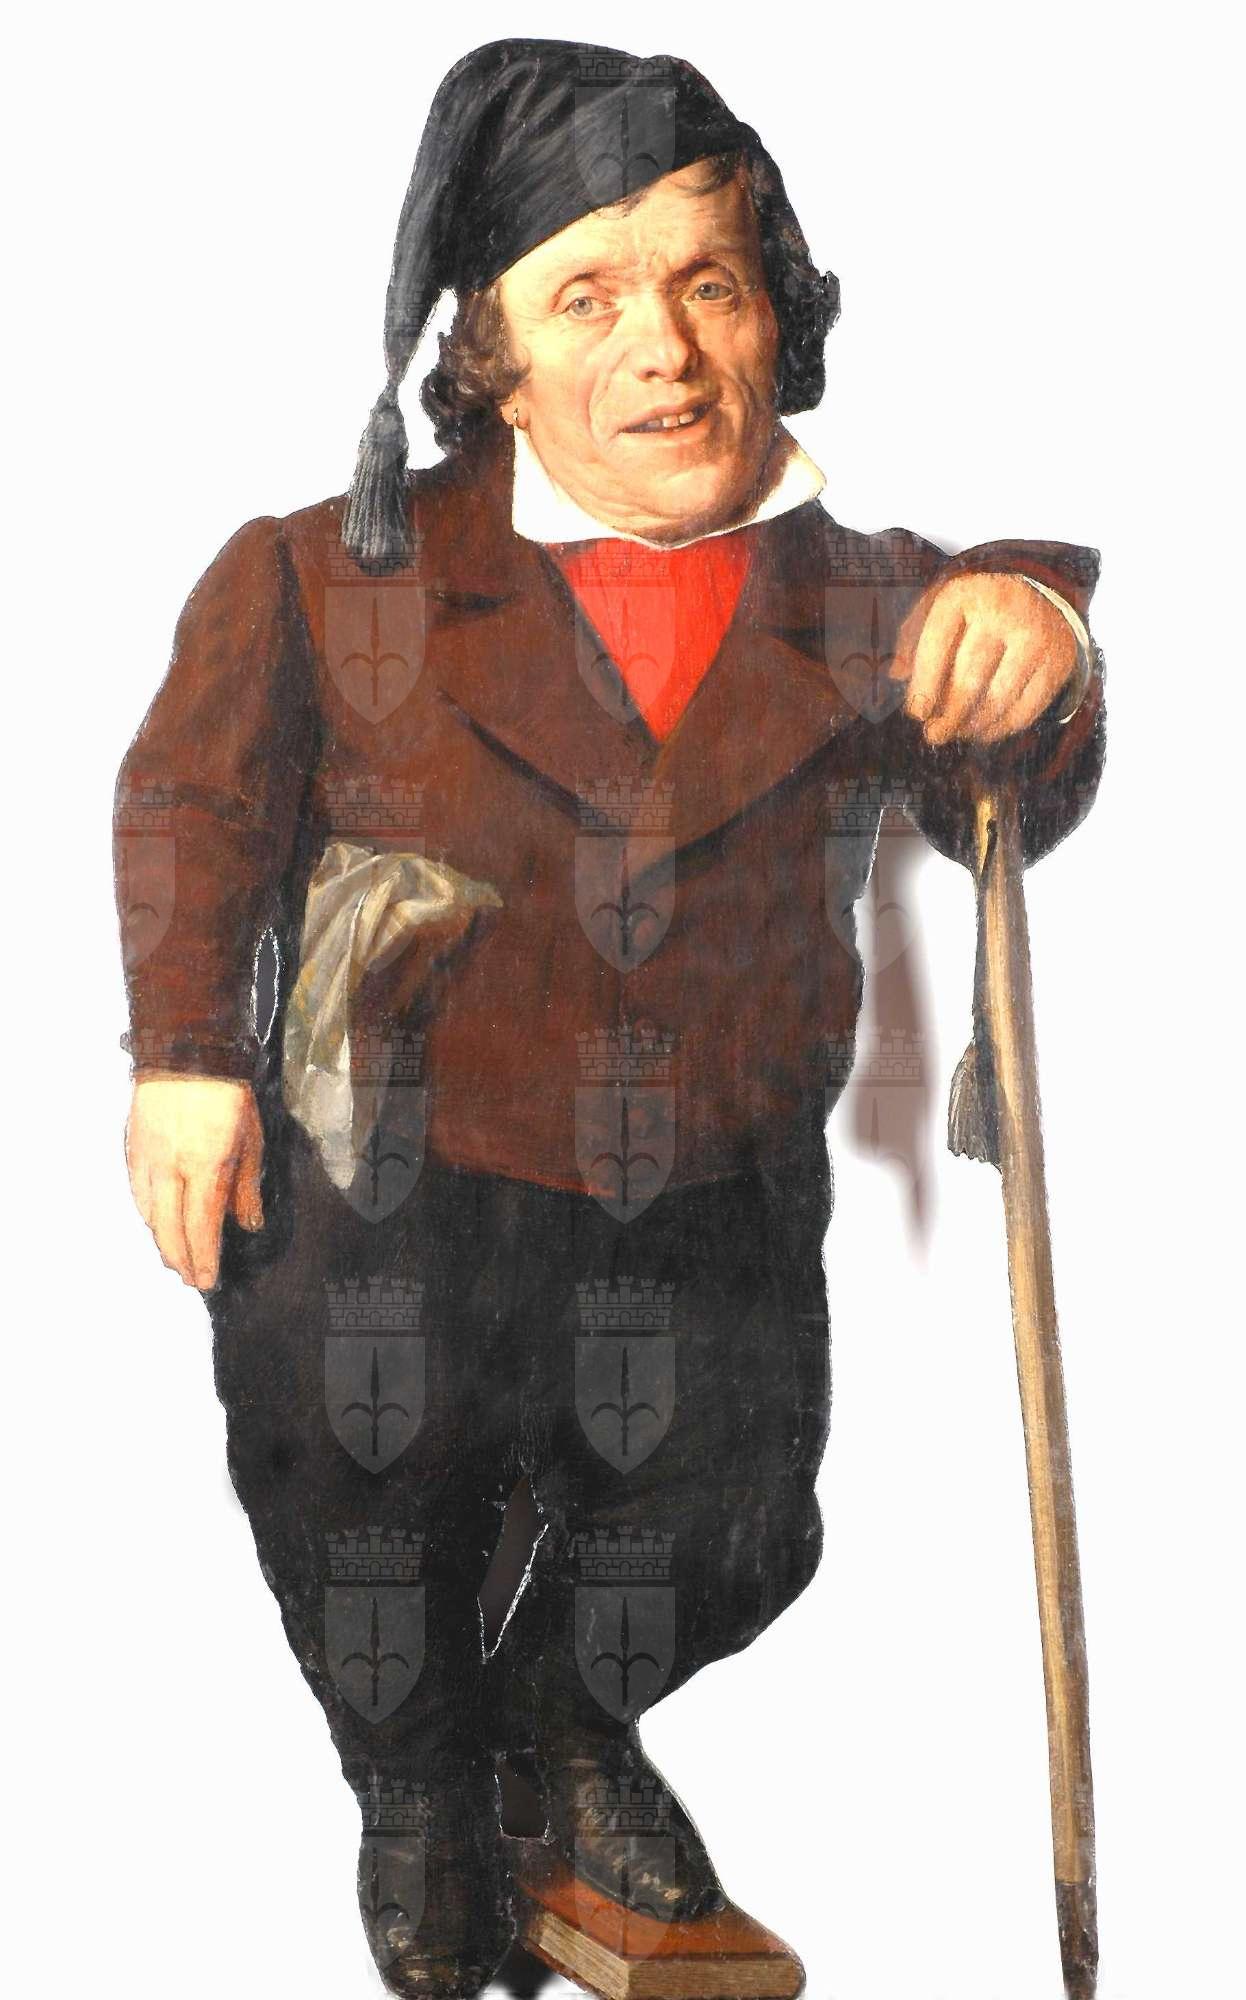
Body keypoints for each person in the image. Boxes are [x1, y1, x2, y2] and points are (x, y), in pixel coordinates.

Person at [114, 38, 1105, 2000]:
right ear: (486, 354)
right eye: (587, 296)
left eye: (709, 284)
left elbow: (1007, 770)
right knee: (366, 1521)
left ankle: (554, 1737)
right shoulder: (322, 575)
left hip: (714, 1184)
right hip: (394, 1185)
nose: (662, 348)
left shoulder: (864, 599)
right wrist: (183, 1061)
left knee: (731, 1527)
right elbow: (194, 806)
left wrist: (1039, 638)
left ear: (775, 314)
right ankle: (419, 1788)